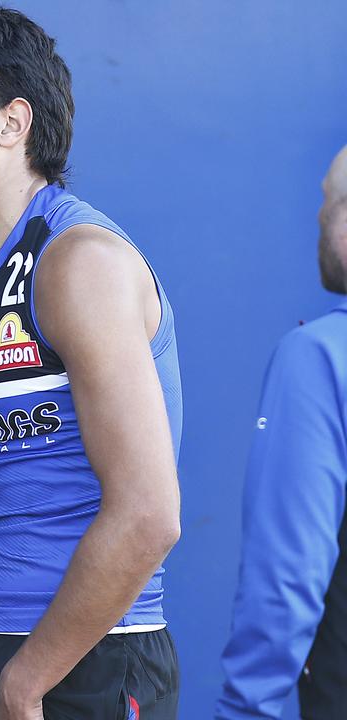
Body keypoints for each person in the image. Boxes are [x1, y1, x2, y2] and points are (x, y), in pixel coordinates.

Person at [0, 9, 182, 720]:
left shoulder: (79, 262)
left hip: (78, 661)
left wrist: (25, 683)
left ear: (10, 124)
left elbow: (149, 516)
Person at [215, 145, 347, 719]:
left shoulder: (320, 357)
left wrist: (248, 710)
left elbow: (287, 575)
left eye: (328, 201)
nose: (318, 217)